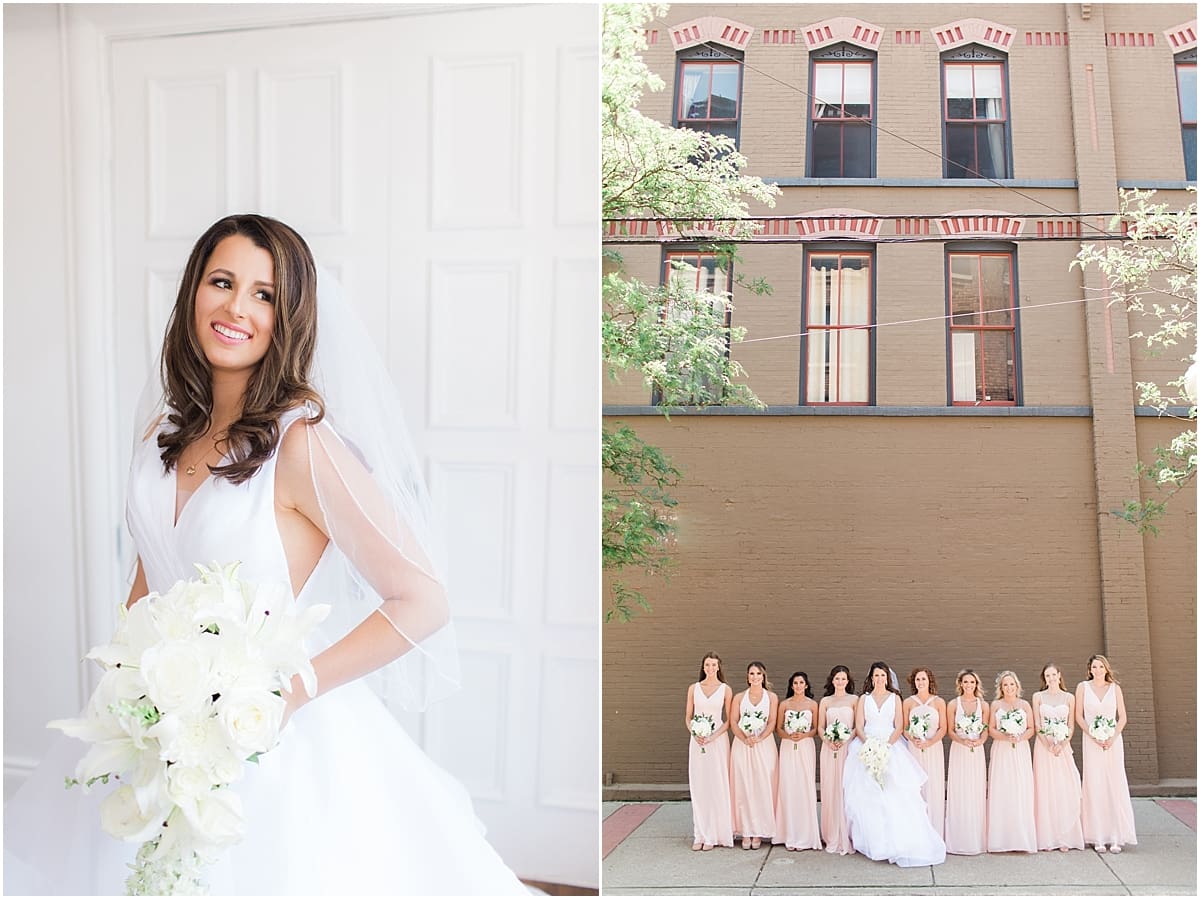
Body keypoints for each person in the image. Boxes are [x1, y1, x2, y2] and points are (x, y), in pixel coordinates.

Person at [3, 215, 527, 895]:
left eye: (264, 295)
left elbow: (423, 600)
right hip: (152, 729)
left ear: (289, 318)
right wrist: (123, 694)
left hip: (265, 747)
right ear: (194, 291)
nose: (236, 308)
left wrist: (285, 692)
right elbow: (147, 579)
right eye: (221, 282)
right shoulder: (161, 432)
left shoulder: (302, 444)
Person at [841, 661, 946, 867]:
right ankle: (871, 841)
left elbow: (899, 726)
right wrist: (869, 744)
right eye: (876, 675)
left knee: (894, 795)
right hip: (866, 746)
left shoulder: (895, 698)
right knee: (866, 796)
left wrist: (887, 745)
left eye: (883, 675)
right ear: (871, 678)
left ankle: (895, 841)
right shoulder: (864, 698)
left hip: (890, 747)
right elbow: (860, 725)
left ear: (887, 678)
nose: (879, 679)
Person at [1075, 654, 1137, 853]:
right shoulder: (1082, 687)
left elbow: (1123, 717)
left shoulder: (1115, 689)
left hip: (1112, 741)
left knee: (1114, 783)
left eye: (1101, 667)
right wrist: (1093, 735)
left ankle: (1116, 836)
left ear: (1106, 669)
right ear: (1089, 669)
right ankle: (1098, 836)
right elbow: (1078, 716)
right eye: (1094, 667)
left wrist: (1112, 736)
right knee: (1095, 784)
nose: (1098, 670)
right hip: (1091, 741)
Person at [1032, 662, 1084, 851]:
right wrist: (1048, 744)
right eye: (1047, 676)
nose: (1051, 678)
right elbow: (1038, 724)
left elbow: (1071, 725)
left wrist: (1061, 744)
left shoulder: (1069, 697)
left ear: (1059, 676)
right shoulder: (1038, 697)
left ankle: (1065, 837)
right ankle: (1048, 837)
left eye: (1054, 675)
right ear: (1044, 679)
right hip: (1044, 748)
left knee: (1065, 788)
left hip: (1062, 748)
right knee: (1045, 789)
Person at [685, 652, 734, 850]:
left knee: (716, 784)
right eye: (707, 665)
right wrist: (695, 732)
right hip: (697, 741)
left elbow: (729, 720)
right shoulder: (693, 688)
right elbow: (688, 717)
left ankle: (716, 834)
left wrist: (713, 736)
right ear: (703, 667)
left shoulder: (725, 689)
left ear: (719, 667)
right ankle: (700, 834)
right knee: (699, 785)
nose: (710, 668)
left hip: (717, 740)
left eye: (714, 665)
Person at [986, 670, 1037, 853]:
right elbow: (991, 729)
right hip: (1001, 750)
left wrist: (1020, 737)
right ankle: (1001, 840)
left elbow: (1031, 728)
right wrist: (1005, 736)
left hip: (1020, 750)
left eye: (1012, 684)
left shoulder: (1024, 704)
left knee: (1020, 789)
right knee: (1002, 789)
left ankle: (1021, 838)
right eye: (1005, 685)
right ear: (1001, 687)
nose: (1009, 688)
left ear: (1017, 686)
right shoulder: (996, 705)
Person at [730, 661, 778, 849]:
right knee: (744, 787)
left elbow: (772, 721)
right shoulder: (739, 697)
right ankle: (745, 832)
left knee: (762, 787)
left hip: (764, 746)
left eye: (758, 673)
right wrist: (744, 738)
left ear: (763, 676)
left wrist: (759, 738)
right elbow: (734, 721)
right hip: (742, 746)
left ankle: (759, 831)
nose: (755, 677)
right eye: (752, 673)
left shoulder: (772, 697)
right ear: (747, 676)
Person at [772, 671, 822, 851]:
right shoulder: (784, 704)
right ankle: (788, 834)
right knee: (788, 786)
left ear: (806, 685)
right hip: (787, 746)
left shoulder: (813, 704)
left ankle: (804, 835)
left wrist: (803, 735)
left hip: (806, 746)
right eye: (795, 683)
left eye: (801, 683)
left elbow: (816, 728)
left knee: (803, 786)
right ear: (791, 686)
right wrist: (789, 736)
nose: (798, 686)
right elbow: (778, 728)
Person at [943, 668, 990, 855]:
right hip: (959, 749)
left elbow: (985, 730)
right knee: (960, 789)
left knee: (975, 790)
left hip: (976, 751)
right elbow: (950, 730)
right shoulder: (953, 704)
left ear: (976, 684)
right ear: (960, 684)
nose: (968, 685)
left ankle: (976, 840)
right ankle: (957, 840)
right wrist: (962, 740)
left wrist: (979, 741)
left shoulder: (984, 705)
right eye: (965, 682)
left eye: (972, 682)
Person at [903, 666, 947, 837]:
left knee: (933, 784)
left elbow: (943, 728)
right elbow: (905, 728)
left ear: (930, 681)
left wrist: (930, 741)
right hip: (914, 749)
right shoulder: (908, 702)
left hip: (934, 748)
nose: (921, 682)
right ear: (914, 682)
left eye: (924, 679)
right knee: (916, 786)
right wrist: (912, 738)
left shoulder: (939, 702)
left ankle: (935, 828)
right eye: (918, 679)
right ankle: (917, 831)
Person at [817, 665, 856, 855]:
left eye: (843, 679)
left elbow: (858, 725)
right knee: (830, 787)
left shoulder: (855, 700)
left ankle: (847, 832)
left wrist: (846, 738)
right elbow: (819, 727)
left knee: (846, 788)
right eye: (837, 678)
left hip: (848, 748)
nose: (840, 682)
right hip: (829, 748)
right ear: (832, 680)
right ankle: (831, 832)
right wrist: (829, 740)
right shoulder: (825, 701)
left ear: (848, 681)